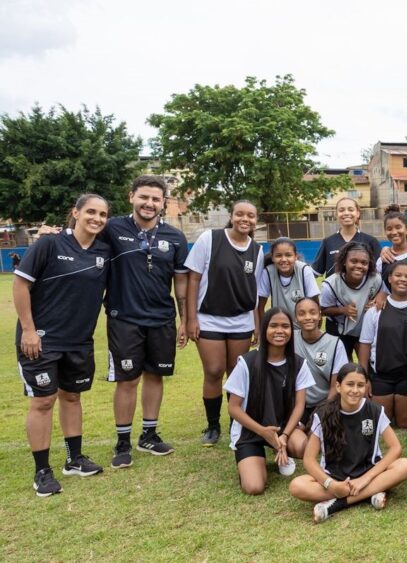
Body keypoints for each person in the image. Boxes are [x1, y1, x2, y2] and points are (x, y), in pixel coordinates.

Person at [15, 194, 111, 496]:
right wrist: (29, 330)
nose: (97, 218)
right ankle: (42, 471)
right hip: (42, 340)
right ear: (76, 213)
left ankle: (74, 459)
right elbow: (21, 284)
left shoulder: (104, 251)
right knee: (43, 401)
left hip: (79, 341)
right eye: (91, 212)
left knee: (72, 397)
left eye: (103, 214)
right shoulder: (49, 244)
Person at [98, 176, 189, 469]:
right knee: (127, 380)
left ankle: (148, 435)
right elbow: (82, 243)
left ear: (164, 203)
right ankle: (123, 441)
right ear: (131, 197)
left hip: (162, 318)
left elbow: (181, 283)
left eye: (155, 199)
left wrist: (185, 319)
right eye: (144, 197)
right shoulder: (112, 229)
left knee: (155, 375)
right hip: (124, 318)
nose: (149, 203)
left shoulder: (175, 237)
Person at [288, 364, 407, 523]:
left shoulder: (375, 410)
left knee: (405, 465)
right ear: (338, 386)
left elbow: (396, 448)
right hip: (336, 479)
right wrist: (331, 485)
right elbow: (309, 459)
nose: (355, 390)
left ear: (366, 387)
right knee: (297, 485)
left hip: (369, 474)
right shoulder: (323, 414)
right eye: (350, 384)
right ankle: (369, 494)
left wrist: (365, 479)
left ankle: (337, 504)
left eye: (360, 385)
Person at [185, 200, 264, 446]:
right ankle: (212, 425)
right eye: (240, 214)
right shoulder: (210, 239)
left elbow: (254, 291)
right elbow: (193, 279)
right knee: (213, 371)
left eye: (250, 215)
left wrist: (257, 324)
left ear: (256, 220)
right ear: (231, 216)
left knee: (236, 374)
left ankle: (235, 423)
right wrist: (190, 318)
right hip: (209, 319)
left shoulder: (257, 250)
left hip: (241, 322)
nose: (245, 219)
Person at [224, 308, 312, 494]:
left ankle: (279, 447)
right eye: (273, 326)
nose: (279, 331)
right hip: (251, 431)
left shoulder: (299, 363)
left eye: (285, 326)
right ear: (264, 329)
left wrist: (284, 435)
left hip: (282, 427)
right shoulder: (246, 362)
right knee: (254, 487)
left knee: (303, 447)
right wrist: (263, 432)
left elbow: (299, 405)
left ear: (292, 331)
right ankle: (256, 456)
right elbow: (233, 408)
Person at [357, 260, 407, 429]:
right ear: (389, 278)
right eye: (398, 275)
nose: (403, 279)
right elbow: (365, 345)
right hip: (382, 374)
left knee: (404, 423)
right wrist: (364, 378)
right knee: (381, 423)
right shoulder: (375, 310)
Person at [293, 298, 348, 428]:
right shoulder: (290, 339)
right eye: (302, 313)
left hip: (325, 403)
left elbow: (335, 387)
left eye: (312, 312)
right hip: (296, 404)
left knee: (321, 432)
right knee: (296, 437)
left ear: (319, 315)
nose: (308, 317)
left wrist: (322, 414)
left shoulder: (335, 343)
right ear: (295, 318)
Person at [320, 242, 382, 356]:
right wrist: (342, 310)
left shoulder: (376, 279)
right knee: (342, 365)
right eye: (353, 261)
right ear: (344, 261)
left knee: (367, 364)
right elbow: (323, 310)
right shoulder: (331, 284)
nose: (359, 266)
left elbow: (384, 294)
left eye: (364, 263)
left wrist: (376, 300)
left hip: (364, 330)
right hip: (338, 331)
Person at [311, 196, 381, 277]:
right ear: (336, 214)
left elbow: (380, 271)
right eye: (341, 210)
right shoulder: (328, 242)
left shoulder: (371, 241)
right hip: (334, 286)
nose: (346, 213)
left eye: (351, 210)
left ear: (358, 213)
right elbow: (314, 273)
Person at [257, 237, 319, 328]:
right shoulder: (268, 272)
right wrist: (264, 328)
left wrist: (315, 328)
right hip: (280, 327)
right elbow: (260, 306)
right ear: (273, 257)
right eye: (278, 255)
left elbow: (315, 304)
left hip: (303, 327)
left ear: (295, 256)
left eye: (288, 255)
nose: (283, 259)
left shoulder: (304, 270)